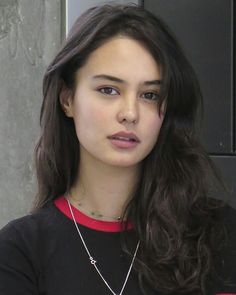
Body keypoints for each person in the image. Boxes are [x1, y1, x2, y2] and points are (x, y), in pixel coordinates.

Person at [0, 4, 235, 295]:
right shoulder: (20, 252)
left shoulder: (217, 233)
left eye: (150, 95)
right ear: (67, 99)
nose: (130, 113)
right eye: (109, 90)